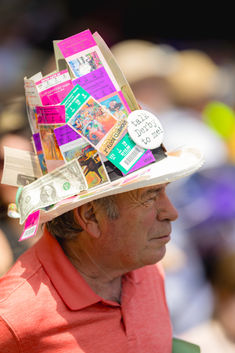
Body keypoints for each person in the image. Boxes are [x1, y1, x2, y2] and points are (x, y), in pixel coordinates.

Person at [0, 32, 203, 353]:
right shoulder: (13, 315)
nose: (171, 212)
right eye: (150, 196)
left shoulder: (148, 270)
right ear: (90, 216)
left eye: (162, 192)